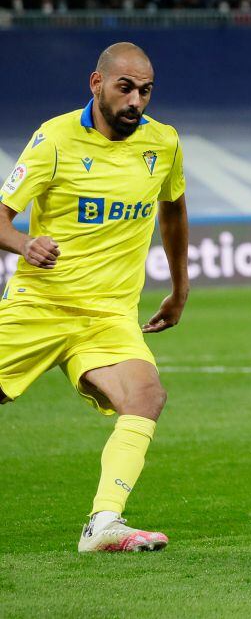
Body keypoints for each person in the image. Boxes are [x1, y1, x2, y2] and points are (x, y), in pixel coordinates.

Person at [0, 42, 189, 550]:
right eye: (125, 88)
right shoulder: (54, 139)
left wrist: (179, 288)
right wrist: (24, 243)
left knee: (146, 396)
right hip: (40, 306)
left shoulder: (163, 143)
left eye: (145, 91)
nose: (135, 101)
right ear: (96, 83)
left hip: (107, 316)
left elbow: (172, 210)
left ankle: (104, 523)